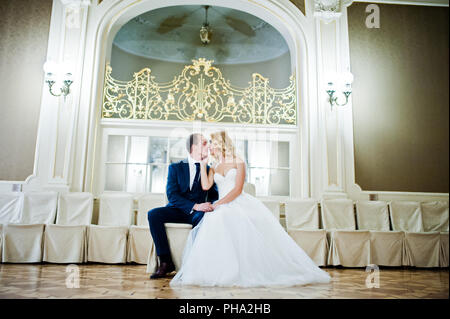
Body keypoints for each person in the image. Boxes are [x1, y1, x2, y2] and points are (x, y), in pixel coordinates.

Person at [170, 130, 331, 287]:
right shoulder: (213, 166)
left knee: (229, 218)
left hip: (238, 202)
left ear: (220, 143)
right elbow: (205, 186)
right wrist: (204, 164)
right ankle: (220, 270)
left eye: (211, 142)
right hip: (222, 205)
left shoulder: (238, 161)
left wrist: (218, 204)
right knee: (214, 219)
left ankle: (249, 269)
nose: (209, 146)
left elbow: (237, 189)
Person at [147, 133, 218, 279]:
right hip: (177, 210)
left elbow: (213, 195)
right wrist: (195, 205)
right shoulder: (175, 168)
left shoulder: (209, 169)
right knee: (153, 214)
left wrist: (209, 205)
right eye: (204, 143)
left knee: (204, 218)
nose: (208, 146)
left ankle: (194, 264)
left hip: (198, 214)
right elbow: (172, 194)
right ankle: (166, 262)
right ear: (194, 147)